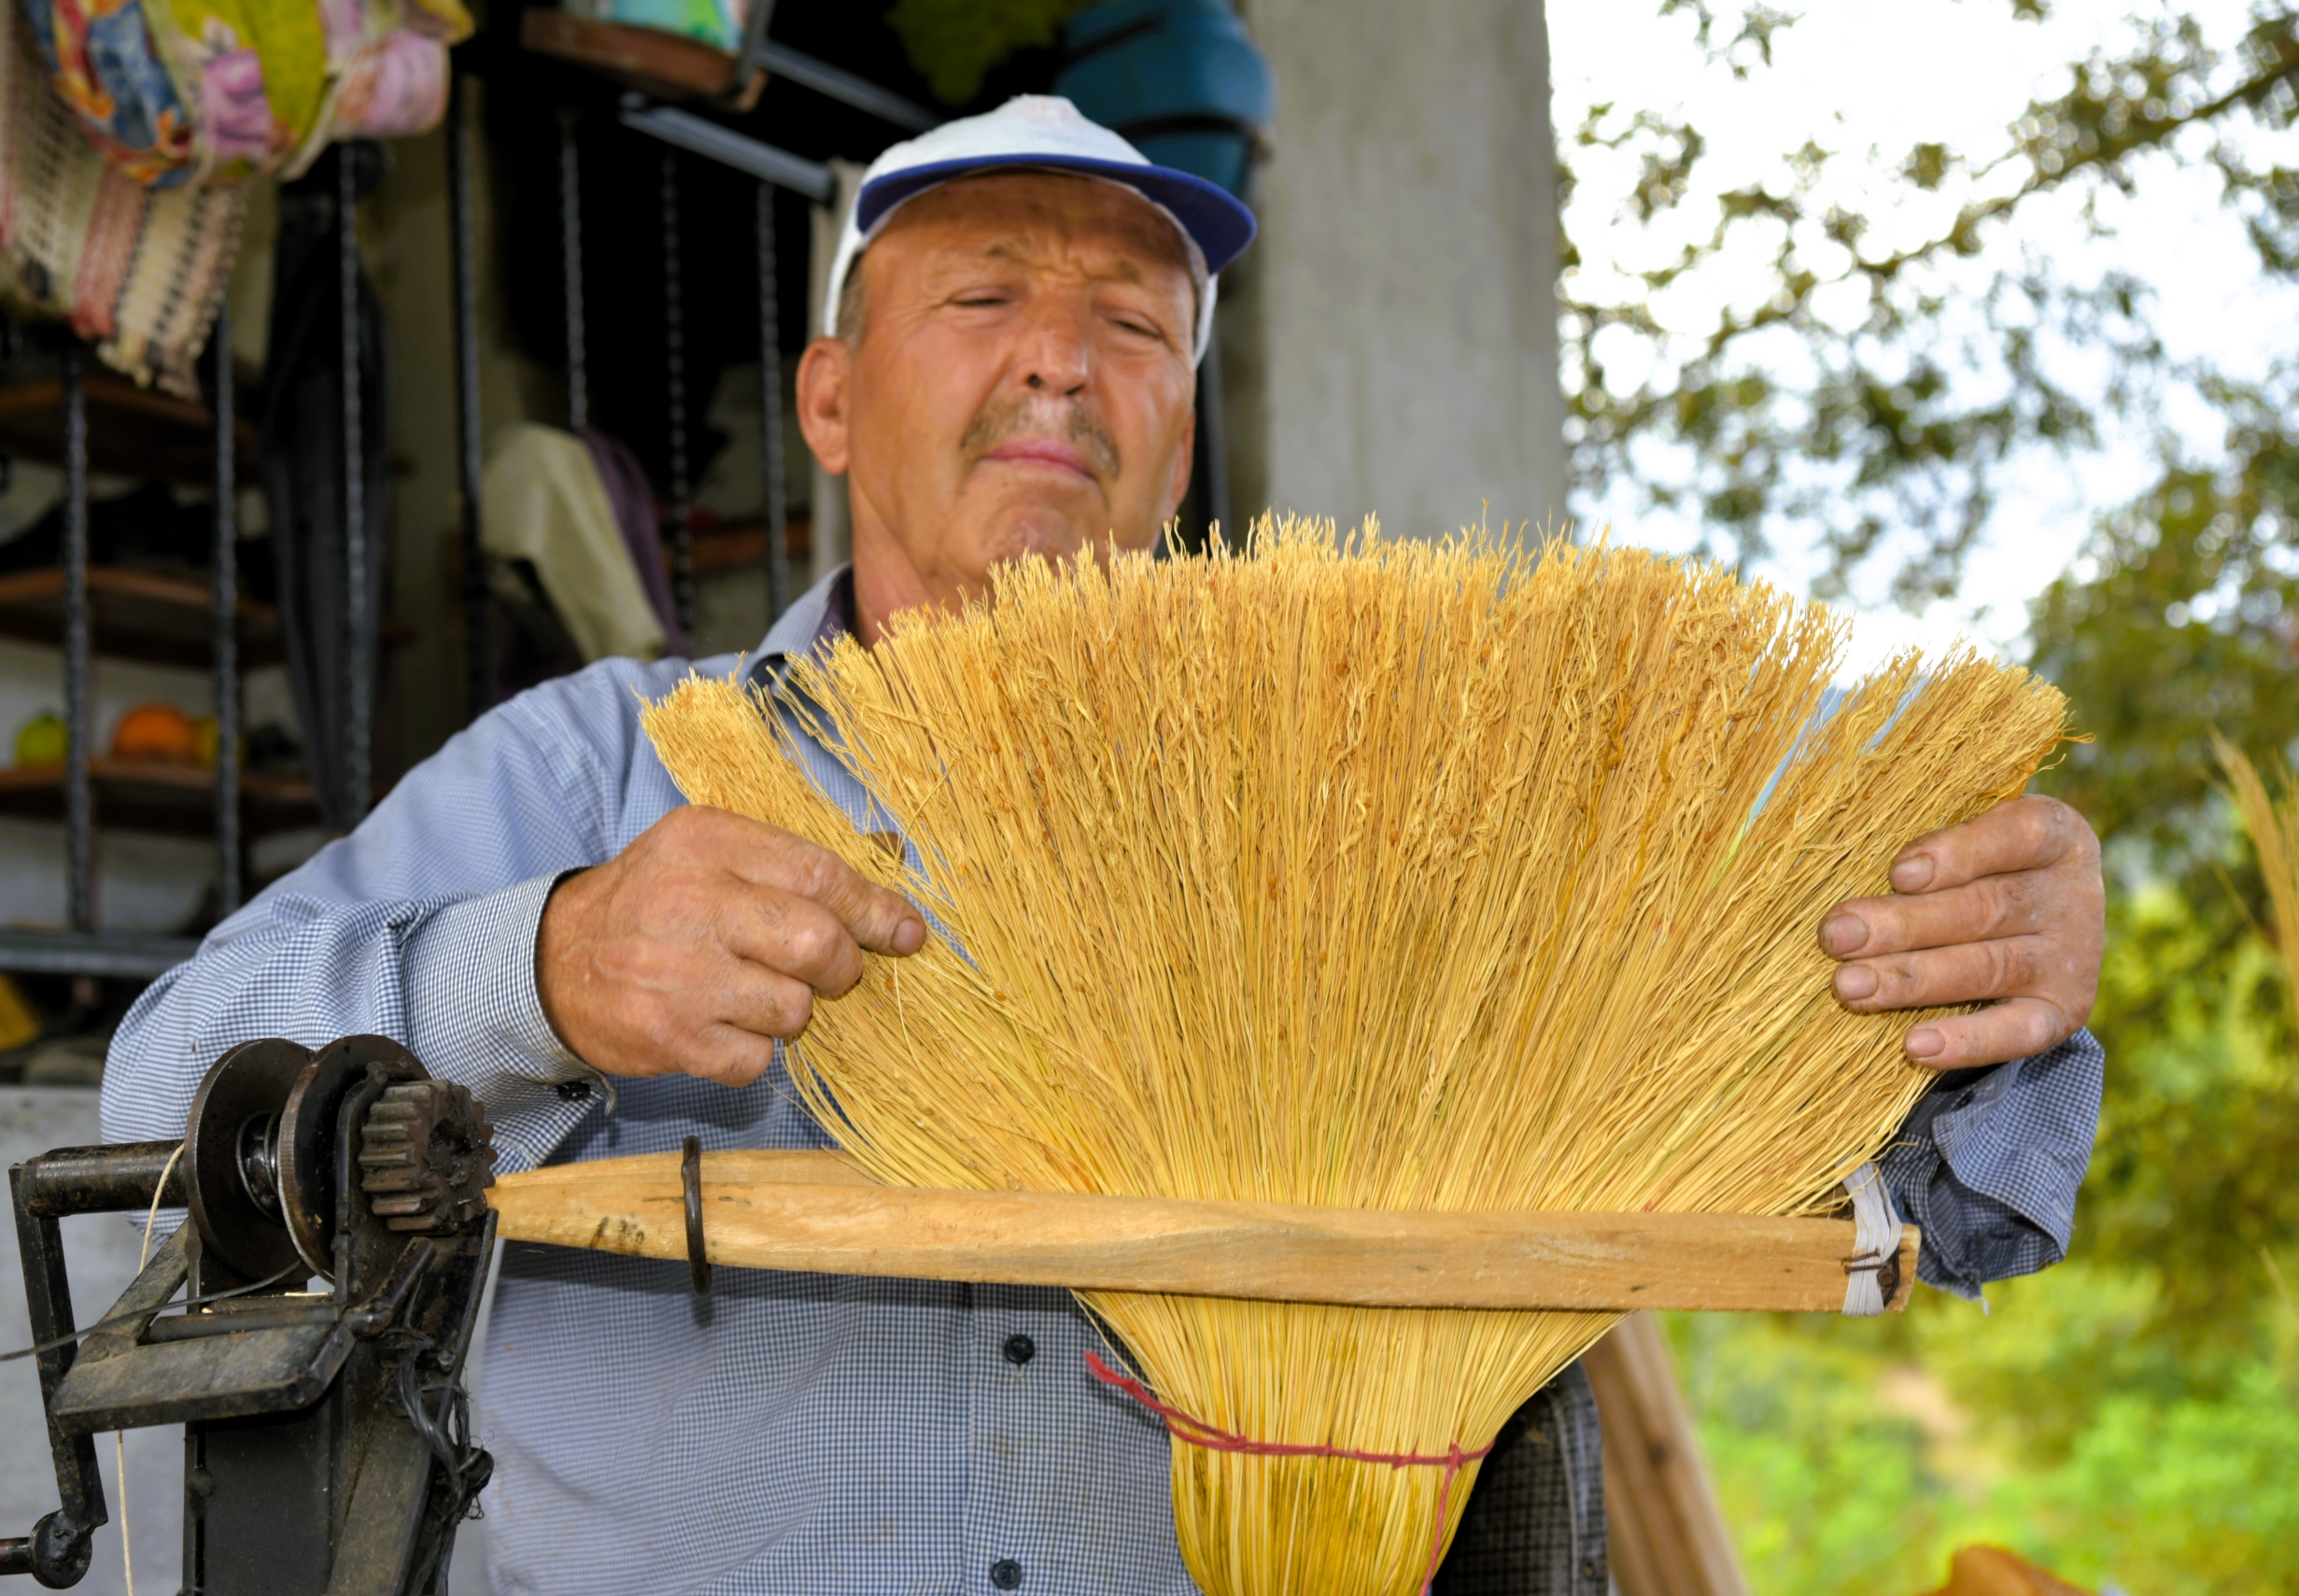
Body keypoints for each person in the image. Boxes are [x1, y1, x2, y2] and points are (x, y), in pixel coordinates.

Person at [103, 96, 2106, 1595]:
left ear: (1179, 425)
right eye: (983, 298)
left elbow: (1934, 1207)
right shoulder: (598, 772)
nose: (1060, 357)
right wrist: (535, 964)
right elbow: (157, 1102)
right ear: (826, 395)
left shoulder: (1380, 815)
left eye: (1132, 325)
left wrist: (1982, 1000)